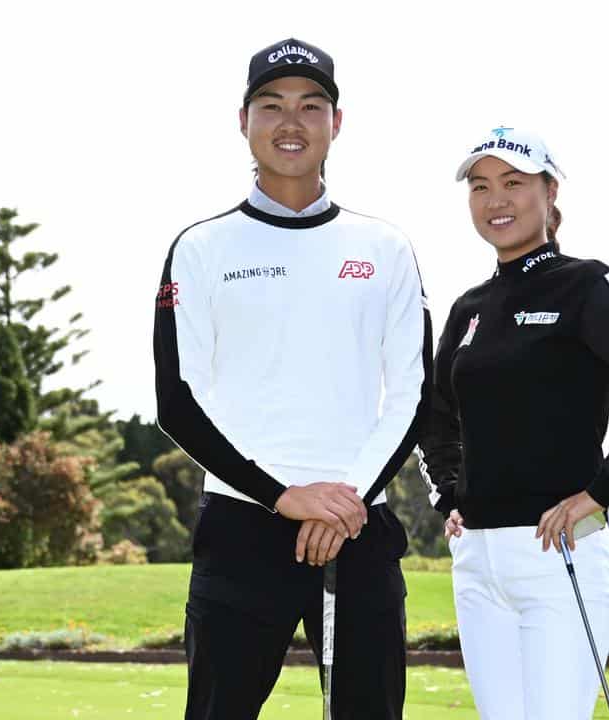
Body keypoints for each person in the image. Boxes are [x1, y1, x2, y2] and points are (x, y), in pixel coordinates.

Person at [153, 37, 432, 720]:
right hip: (244, 530)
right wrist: (284, 497)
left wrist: (342, 500)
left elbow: (416, 392)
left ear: (337, 123)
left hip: (360, 527)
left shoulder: (385, 247)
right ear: (242, 120)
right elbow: (176, 403)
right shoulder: (201, 247)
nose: (291, 122)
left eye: (311, 106)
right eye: (271, 105)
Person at [416, 126, 609, 717]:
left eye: (514, 183)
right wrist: (448, 493)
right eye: (480, 186)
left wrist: (600, 492)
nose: (496, 199)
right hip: (477, 562)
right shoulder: (468, 308)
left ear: (550, 193)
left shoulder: (589, 284)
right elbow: (435, 414)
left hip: (559, 555)